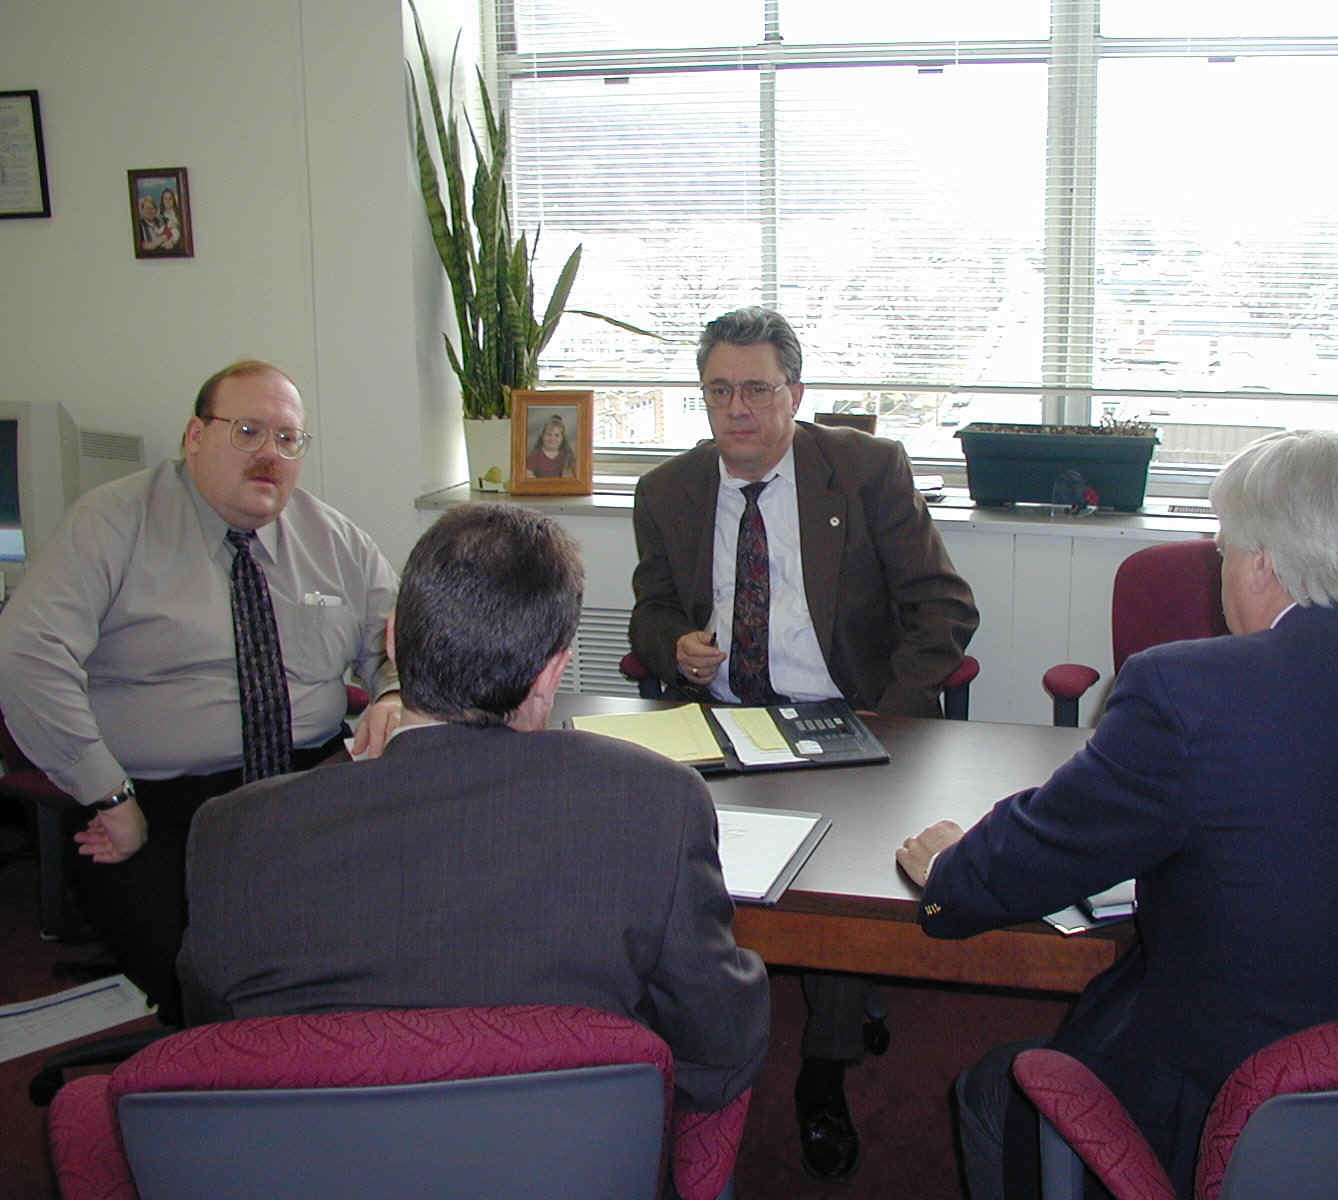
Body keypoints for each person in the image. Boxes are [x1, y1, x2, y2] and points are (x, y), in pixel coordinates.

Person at [896, 429, 1338, 1200]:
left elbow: (1035, 852)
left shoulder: (1188, 690)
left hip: (1252, 1122)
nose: (1220, 572)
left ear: (1264, 561)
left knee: (992, 1091)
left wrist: (948, 872)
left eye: (1224, 552)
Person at [178, 505, 770, 1118]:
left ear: (392, 639)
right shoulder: (656, 803)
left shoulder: (230, 833)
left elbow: (213, 1051)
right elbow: (723, 1046)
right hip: (570, 1159)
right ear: (552, 673)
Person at [630, 305, 979, 1178]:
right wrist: (674, 641)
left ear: (795, 393)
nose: (736, 410)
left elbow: (945, 609)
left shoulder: (863, 471)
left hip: (842, 713)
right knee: (650, 859)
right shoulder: (666, 490)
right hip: (719, 717)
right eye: (718, 391)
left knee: (828, 904)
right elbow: (650, 605)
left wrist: (885, 716)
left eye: (756, 390)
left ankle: (820, 1075)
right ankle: (681, 1047)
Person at [0, 359, 402, 1025]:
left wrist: (389, 694)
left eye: (288, 438)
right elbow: (26, 654)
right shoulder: (112, 523)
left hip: (308, 788)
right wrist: (109, 793)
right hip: (158, 806)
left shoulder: (334, 539)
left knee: (384, 945)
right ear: (194, 436)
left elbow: (396, 641)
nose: (270, 454)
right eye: (247, 431)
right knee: (217, 994)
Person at [527, 412, 576, 478]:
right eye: (549, 434)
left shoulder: (567, 456)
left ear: (562, 438)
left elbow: (568, 479)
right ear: (542, 436)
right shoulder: (534, 456)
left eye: (557, 435)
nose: (552, 438)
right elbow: (528, 475)